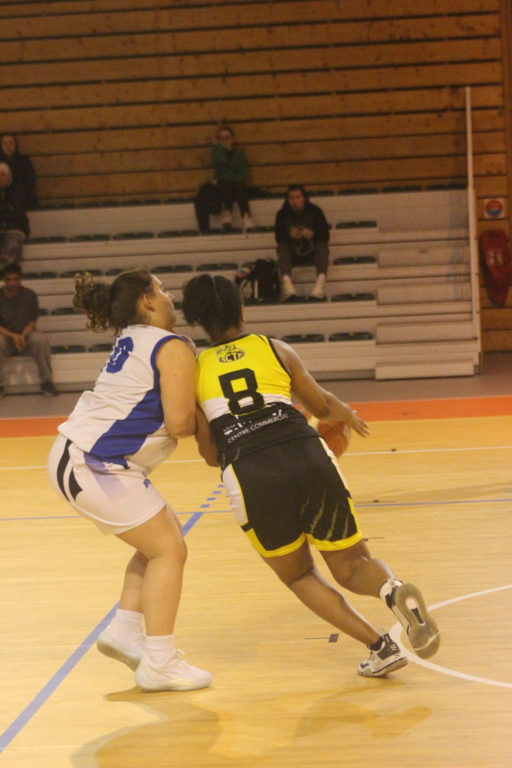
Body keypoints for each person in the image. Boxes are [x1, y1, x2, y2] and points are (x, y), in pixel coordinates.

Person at [182, 274, 440, 678]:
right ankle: (392, 590)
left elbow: (212, 456)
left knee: (300, 574)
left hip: (250, 471)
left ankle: (381, 648)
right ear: (242, 311)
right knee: (352, 563)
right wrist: (346, 414)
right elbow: (320, 405)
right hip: (306, 451)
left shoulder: (193, 372)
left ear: (196, 320)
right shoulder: (275, 348)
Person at [46, 268, 212, 692]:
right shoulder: (170, 345)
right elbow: (179, 423)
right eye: (162, 289)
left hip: (84, 456)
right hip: (94, 462)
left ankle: (124, 629)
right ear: (147, 300)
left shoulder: (134, 337)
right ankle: (160, 662)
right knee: (168, 550)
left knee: (162, 540)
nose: (170, 295)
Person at [0, 263, 59, 398]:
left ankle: (46, 382)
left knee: (40, 340)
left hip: (25, 335)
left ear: (20, 279)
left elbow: (32, 323)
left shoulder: (30, 295)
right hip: (6, 337)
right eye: (9, 279)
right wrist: (14, 336)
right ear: (4, 280)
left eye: (16, 279)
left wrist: (21, 336)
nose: (12, 283)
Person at [194, 125, 254, 233]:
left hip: (235, 184)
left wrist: (227, 177)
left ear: (232, 139)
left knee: (235, 184)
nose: (225, 141)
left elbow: (242, 173)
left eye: (227, 138)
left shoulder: (239, 154)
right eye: (222, 138)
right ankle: (244, 216)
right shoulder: (216, 152)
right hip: (223, 186)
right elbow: (221, 163)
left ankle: (231, 214)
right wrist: (218, 147)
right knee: (227, 184)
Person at [275, 185, 330, 302]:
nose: (295, 201)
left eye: (298, 197)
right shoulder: (282, 214)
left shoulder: (315, 211)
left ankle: (320, 284)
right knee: (282, 247)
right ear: (288, 200)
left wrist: (313, 234)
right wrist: (290, 236)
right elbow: (279, 237)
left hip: (312, 252)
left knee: (321, 246)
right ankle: (287, 286)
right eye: (291, 198)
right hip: (293, 253)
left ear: (304, 198)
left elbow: (325, 235)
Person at [0, 162, 30, 269]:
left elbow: (17, 213)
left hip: (14, 228)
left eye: (3, 174)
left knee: (13, 242)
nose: (0, 177)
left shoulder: (17, 192)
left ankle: (6, 270)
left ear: (9, 177)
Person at [0, 133, 38, 210]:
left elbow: (31, 181)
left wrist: (18, 191)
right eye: (5, 143)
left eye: (11, 143)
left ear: (15, 145)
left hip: (20, 197)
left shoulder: (24, 161)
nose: (8, 146)